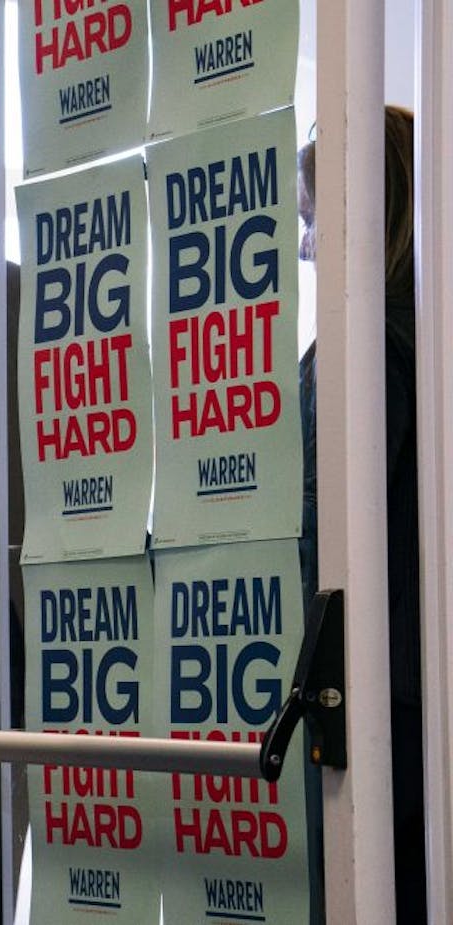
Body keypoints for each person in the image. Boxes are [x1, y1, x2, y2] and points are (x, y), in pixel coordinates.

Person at [297, 104, 423, 923]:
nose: (307, 245)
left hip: (370, 694)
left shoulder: (368, 345)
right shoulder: (423, 332)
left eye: (313, 219)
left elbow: (323, 531)